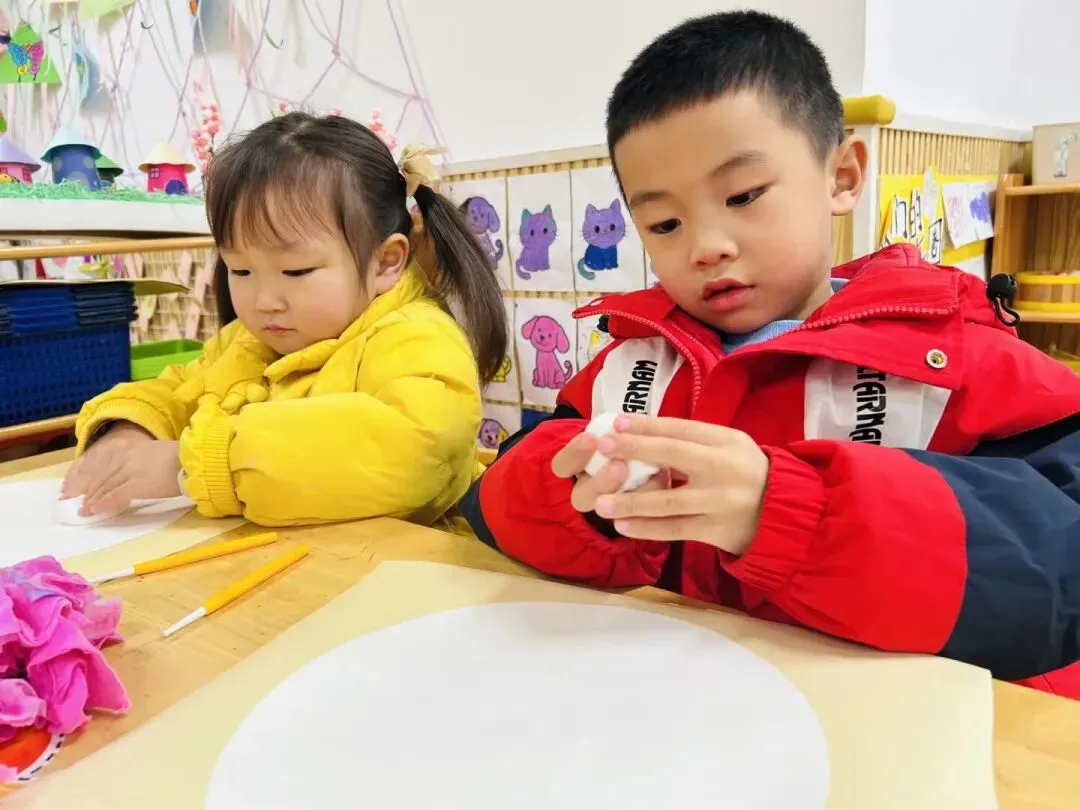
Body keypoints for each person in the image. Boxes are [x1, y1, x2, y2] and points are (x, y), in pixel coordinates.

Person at [460, 11, 1080, 699]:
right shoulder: (631, 361)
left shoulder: (955, 355)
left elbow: (1060, 566)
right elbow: (497, 496)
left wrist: (790, 514)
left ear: (841, 176)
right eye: (664, 223)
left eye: (743, 196)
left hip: (890, 716)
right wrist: (577, 504)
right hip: (685, 707)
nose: (706, 246)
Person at [63, 112, 506, 528]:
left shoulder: (419, 337)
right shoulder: (246, 341)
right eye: (240, 270)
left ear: (385, 262)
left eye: (296, 271)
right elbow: (179, 392)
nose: (264, 301)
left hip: (404, 567)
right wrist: (127, 429)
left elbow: (415, 449)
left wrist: (191, 464)